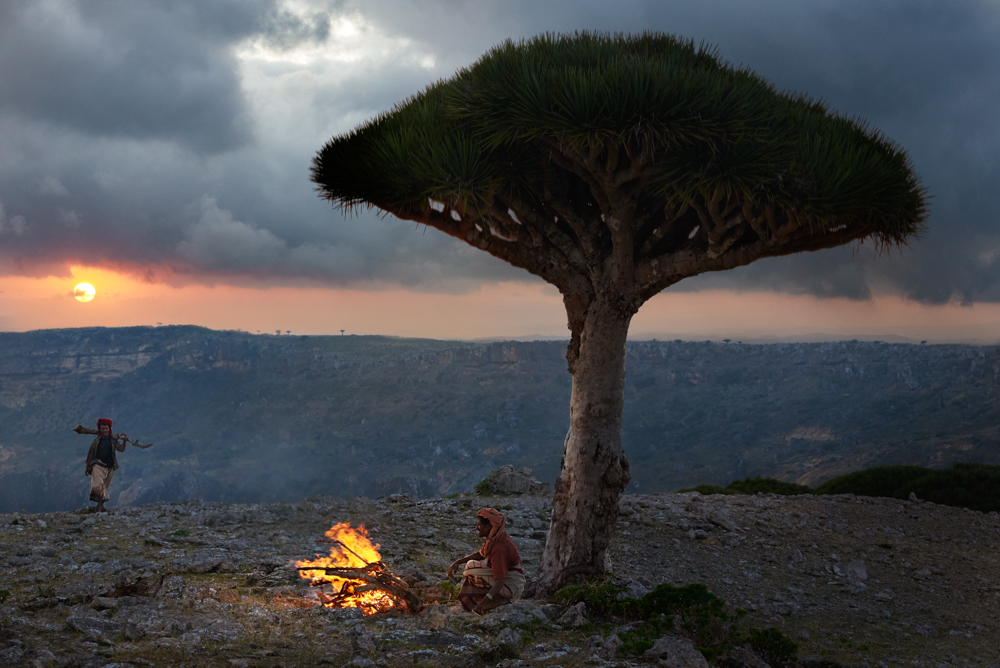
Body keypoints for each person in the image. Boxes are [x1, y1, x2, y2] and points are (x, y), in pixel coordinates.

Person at [447, 507, 525, 614]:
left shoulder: (499, 548)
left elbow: (501, 580)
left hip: (511, 586)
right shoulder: (494, 538)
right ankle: (484, 600)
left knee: (472, 567)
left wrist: (484, 602)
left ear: (488, 526)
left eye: (479, 525)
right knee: (471, 566)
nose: (476, 528)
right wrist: (458, 562)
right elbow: (481, 555)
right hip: (507, 581)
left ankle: (497, 600)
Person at [84, 418, 127, 512]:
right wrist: (88, 467)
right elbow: (90, 454)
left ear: (109, 429)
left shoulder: (113, 440)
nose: (105, 430)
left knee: (105, 487)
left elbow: (121, 449)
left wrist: (124, 441)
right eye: (103, 429)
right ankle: (98, 506)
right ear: (100, 430)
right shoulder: (96, 442)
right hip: (98, 465)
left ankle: (100, 506)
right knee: (98, 485)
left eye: (106, 428)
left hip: (110, 466)